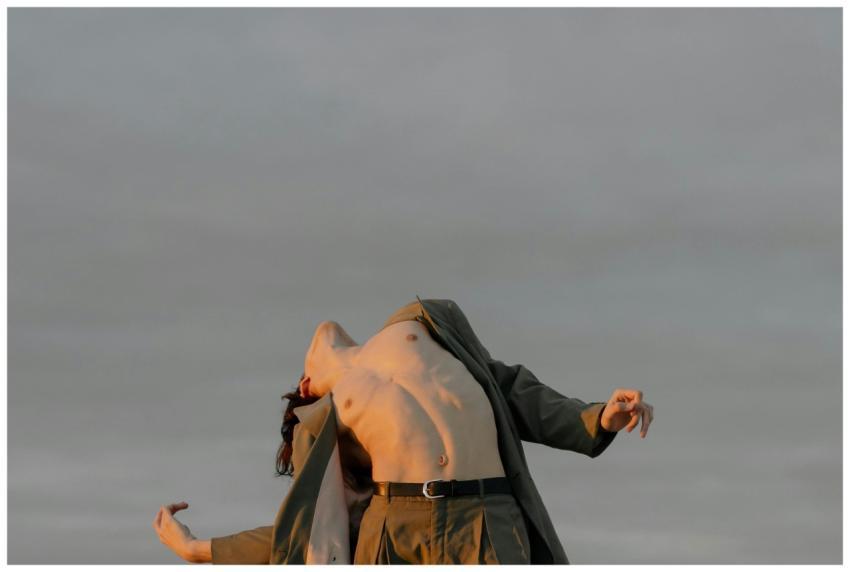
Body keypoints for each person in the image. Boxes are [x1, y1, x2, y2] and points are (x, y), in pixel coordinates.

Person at [152, 297, 654, 564]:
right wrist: (200, 550)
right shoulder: (327, 421)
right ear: (308, 389)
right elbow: (299, 539)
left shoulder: (426, 324)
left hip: (483, 522)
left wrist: (595, 417)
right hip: (392, 531)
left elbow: (509, 390)